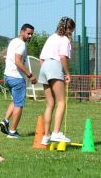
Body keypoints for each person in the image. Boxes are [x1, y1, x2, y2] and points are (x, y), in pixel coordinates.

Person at [39, 17, 75, 145]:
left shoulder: (51, 37)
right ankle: (56, 133)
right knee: (61, 102)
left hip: (43, 68)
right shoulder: (65, 40)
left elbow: (41, 59)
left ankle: (46, 136)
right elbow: (63, 57)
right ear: (69, 29)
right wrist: (67, 73)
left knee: (50, 104)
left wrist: (47, 70)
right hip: (54, 66)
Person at [0, 23, 35, 138]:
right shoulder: (21, 45)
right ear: (22, 31)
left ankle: (5, 120)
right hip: (16, 77)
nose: (30, 36)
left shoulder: (13, 41)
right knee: (19, 104)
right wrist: (30, 75)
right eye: (28, 33)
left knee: (15, 100)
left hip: (7, 76)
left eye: (31, 34)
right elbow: (18, 61)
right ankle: (13, 132)